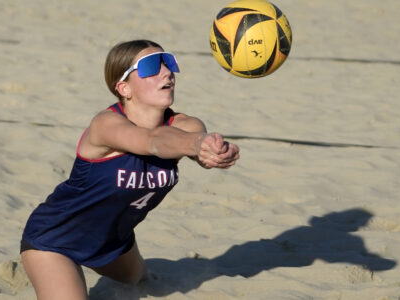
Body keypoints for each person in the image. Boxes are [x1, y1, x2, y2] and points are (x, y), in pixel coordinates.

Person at [20, 39, 240, 299]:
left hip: (114, 241)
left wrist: (213, 152)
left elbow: (195, 147)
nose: (167, 72)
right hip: (55, 239)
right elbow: (152, 141)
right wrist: (196, 144)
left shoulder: (185, 124)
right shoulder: (107, 124)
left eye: (168, 62)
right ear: (124, 88)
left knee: (139, 279)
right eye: (150, 66)